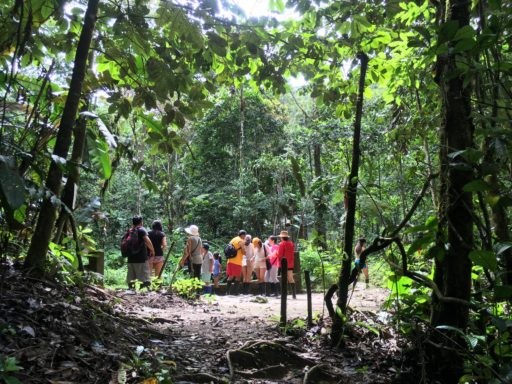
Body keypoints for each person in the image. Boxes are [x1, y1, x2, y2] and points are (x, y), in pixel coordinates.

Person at [126, 215, 155, 290]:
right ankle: (144, 292)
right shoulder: (142, 230)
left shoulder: (130, 230)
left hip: (130, 258)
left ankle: (131, 289)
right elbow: (147, 241)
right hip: (141, 258)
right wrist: (152, 250)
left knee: (131, 276)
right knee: (144, 277)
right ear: (141, 222)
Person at [226, 230, 246, 295]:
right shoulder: (241, 241)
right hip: (237, 261)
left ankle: (227, 292)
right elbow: (243, 252)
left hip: (229, 260)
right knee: (238, 276)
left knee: (230, 276)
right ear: (242, 235)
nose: (245, 237)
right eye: (244, 235)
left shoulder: (233, 239)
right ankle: (235, 292)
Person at [277, 230, 296, 299]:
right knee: (291, 278)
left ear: (282, 237)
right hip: (290, 263)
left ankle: (284, 294)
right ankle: (294, 294)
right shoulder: (291, 244)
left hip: (283, 264)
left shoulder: (281, 244)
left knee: (283, 278)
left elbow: (280, 255)